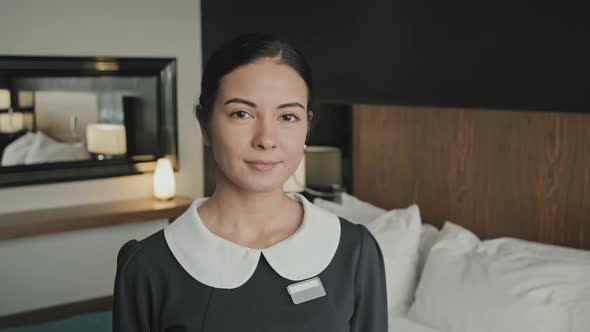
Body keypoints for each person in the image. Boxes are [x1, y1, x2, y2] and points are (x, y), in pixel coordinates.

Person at [112, 32, 388, 331]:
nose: (266, 139)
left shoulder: (354, 250)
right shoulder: (148, 266)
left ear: (307, 126)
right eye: (241, 113)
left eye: (288, 117)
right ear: (204, 125)